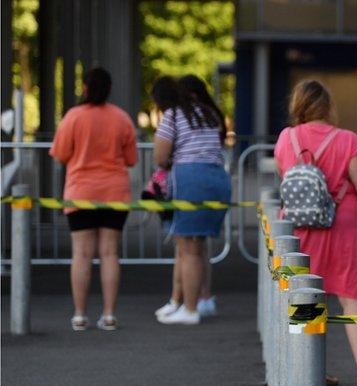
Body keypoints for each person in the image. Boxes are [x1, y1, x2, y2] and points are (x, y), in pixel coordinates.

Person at [274, 79, 357, 386]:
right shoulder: (349, 140)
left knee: (307, 296)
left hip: (302, 226)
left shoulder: (287, 138)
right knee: (353, 300)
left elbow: (286, 178)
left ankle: (311, 370)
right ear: (328, 107)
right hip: (345, 227)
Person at [50, 67, 137, 331]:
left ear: (84, 88)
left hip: (80, 192)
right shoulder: (122, 118)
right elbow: (131, 159)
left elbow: (61, 153)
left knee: (82, 254)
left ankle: (79, 314)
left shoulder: (73, 117)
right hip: (115, 192)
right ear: (110, 89)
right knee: (110, 253)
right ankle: (109, 314)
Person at [153, 75, 231, 325]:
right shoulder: (209, 114)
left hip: (190, 180)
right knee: (197, 248)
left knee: (188, 250)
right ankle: (195, 301)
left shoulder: (173, 115)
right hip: (217, 178)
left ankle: (189, 309)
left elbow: (160, 157)